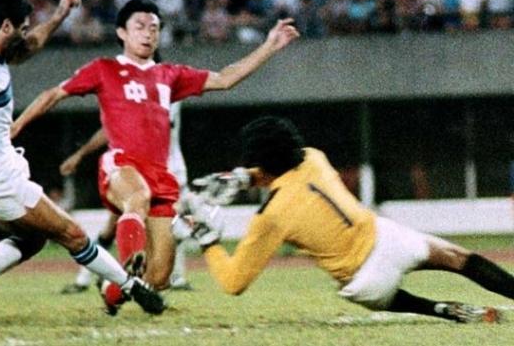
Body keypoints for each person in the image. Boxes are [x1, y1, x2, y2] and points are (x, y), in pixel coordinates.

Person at [10, 0, 299, 314]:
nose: (148, 33)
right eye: (140, 26)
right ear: (121, 32)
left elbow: (225, 78)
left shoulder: (169, 75)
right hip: (122, 165)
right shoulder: (103, 69)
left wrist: (269, 46)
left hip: (161, 175)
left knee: (159, 277)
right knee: (137, 197)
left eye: (154, 28)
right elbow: (53, 94)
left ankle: (112, 289)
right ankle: (128, 267)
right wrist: (16, 126)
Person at [0, 0, 164, 326]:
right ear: (5, 27)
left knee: (32, 239)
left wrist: (59, 16)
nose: (26, 34)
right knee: (73, 234)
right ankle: (133, 288)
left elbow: (27, 47)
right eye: (22, 27)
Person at [183, 116, 514, 323]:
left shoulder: (270, 217)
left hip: (365, 280)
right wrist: (245, 177)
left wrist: (208, 240)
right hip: (388, 240)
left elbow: (233, 283)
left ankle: (439, 309)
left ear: (259, 162)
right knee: (459, 259)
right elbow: (281, 168)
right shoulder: (313, 157)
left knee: (387, 297)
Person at [59, 102, 195, 294]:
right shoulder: (137, 95)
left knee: (169, 227)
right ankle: (86, 279)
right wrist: (81, 154)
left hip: (169, 171)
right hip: (136, 171)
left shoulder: (168, 89)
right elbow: (111, 129)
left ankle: (172, 278)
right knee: (114, 228)